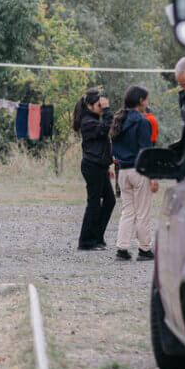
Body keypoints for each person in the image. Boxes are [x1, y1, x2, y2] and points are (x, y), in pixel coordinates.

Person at [110, 86, 159, 261]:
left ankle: (121, 249)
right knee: (143, 211)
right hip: (139, 171)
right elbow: (146, 151)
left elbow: (113, 149)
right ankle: (145, 249)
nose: (147, 102)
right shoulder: (142, 122)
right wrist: (153, 176)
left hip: (122, 172)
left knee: (128, 211)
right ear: (140, 101)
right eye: (146, 99)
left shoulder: (118, 120)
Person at [73, 89, 115, 251]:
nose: (101, 106)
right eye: (99, 104)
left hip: (99, 166)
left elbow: (103, 141)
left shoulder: (93, 119)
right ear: (89, 106)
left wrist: (107, 165)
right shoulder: (87, 121)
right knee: (94, 203)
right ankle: (86, 241)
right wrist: (107, 110)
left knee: (110, 200)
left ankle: (97, 237)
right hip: (92, 166)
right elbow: (106, 128)